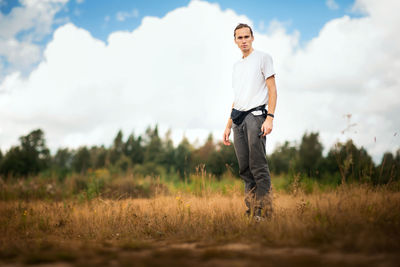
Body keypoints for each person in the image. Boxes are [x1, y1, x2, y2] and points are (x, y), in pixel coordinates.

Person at [223, 23, 277, 219]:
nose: (244, 40)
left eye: (247, 37)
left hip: (256, 117)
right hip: (238, 120)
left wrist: (269, 118)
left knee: (258, 166)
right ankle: (252, 211)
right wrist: (228, 125)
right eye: (240, 38)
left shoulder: (263, 58)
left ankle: (265, 212)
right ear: (235, 41)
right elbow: (237, 98)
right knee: (245, 169)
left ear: (252, 37)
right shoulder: (237, 67)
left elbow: (272, 89)